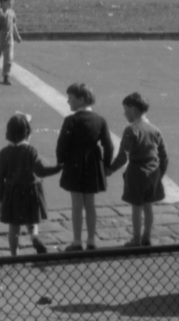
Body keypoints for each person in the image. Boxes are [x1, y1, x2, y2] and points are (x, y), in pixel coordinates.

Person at [56, 82, 114, 251]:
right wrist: (107, 165)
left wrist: (61, 161)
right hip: (93, 163)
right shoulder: (100, 120)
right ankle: (91, 240)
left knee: (76, 204)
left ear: (81, 99)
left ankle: (76, 241)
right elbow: (108, 146)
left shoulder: (70, 120)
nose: (68, 102)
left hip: (74, 164)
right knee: (90, 204)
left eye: (71, 98)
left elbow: (62, 145)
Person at [0, 113, 61, 255]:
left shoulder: (4, 153)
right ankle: (35, 237)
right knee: (32, 220)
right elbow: (41, 171)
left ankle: (14, 254)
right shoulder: (31, 151)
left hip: (12, 192)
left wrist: (0, 196)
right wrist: (58, 168)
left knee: (14, 226)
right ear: (27, 133)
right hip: (31, 190)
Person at [108, 92, 169, 247]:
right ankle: (147, 236)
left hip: (136, 173)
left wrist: (109, 170)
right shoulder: (155, 130)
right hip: (153, 172)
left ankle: (136, 239)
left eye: (126, 110)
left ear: (134, 110)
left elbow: (122, 157)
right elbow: (164, 155)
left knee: (136, 207)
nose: (125, 114)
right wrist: (160, 173)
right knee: (148, 206)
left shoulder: (131, 130)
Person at [0, 0, 23, 85]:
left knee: (9, 59)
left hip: (9, 40)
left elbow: (13, 25)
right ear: (3, 2)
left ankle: (6, 76)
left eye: (12, 1)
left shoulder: (12, 12)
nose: (11, 3)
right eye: (10, 1)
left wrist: (17, 36)